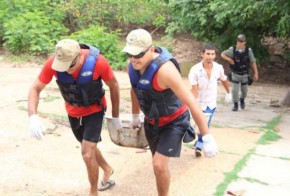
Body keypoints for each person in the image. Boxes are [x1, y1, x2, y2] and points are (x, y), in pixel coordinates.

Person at [122, 28, 218, 196]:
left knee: (158, 164)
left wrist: (207, 136)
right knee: (157, 165)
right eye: (130, 54)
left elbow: (191, 101)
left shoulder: (165, 71)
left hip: (174, 121)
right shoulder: (131, 66)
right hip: (152, 122)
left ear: (151, 50)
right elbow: (135, 89)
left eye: (138, 55)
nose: (133, 59)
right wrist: (135, 116)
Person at [28, 39, 121, 196]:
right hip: (73, 112)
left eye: (69, 65)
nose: (66, 70)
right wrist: (32, 117)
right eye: (62, 65)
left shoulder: (98, 62)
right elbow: (35, 88)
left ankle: (93, 192)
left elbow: (114, 85)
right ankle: (107, 168)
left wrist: (116, 116)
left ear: (80, 56)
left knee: (87, 152)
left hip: (95, 110)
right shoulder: (52, 63)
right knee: (88, 146)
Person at [188, 43, 231, 157]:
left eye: (212, 54)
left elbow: (224, 80)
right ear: (202, 54)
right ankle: (199, 140)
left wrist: (228, 92)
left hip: (211, 103)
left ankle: (199, 146)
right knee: (196, 124)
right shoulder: (195, 70)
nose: (210, 57)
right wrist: (190, 102)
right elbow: (194, 90)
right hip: (198, 102)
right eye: (207, 54)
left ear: (215, 55)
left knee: (205, 124)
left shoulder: (218, 68)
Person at [221, 34, 259, 111]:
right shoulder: (232, 49)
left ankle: (242, 100)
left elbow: (253, 61)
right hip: (235, 73)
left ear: (244, 42)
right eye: (238, 41)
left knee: (244, 91)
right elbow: (222, 54)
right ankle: (235, 104)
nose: (239, 43)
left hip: (245, 74)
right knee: (234, 90)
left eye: (241, 41)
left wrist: (256, 73)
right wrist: (229, 59)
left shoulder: (248, 50)